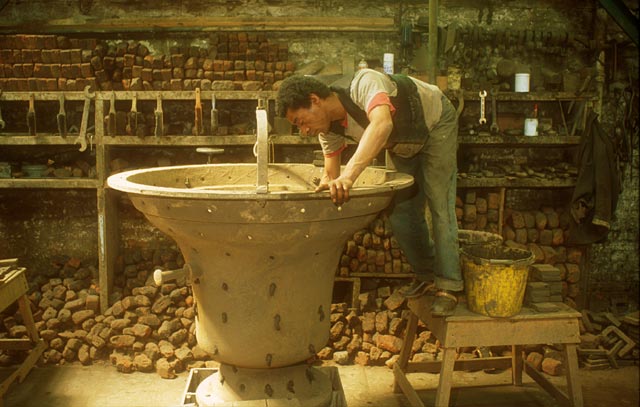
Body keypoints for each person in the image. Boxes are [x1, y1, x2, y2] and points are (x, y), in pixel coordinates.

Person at [276, 68, 461, 316]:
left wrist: (349, 176)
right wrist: (324, 188)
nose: (304, 131)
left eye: (300, 121)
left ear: (314, 101)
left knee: (439, 202)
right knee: (401, 211)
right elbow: (330, 173)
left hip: (437, 123)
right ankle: (426, 275)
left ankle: (449, 285)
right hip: (404, 143)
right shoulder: (328, 131)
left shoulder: (364, 83)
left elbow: (382, 124)